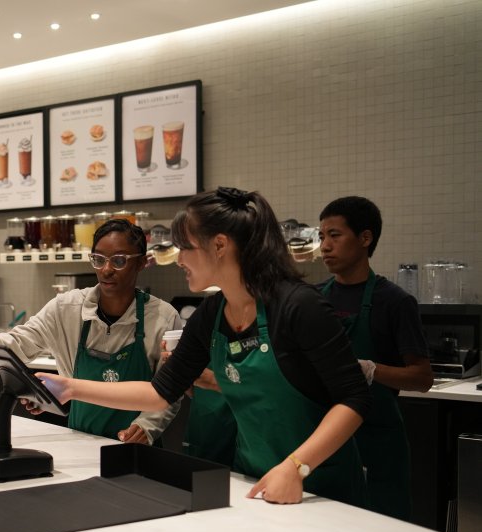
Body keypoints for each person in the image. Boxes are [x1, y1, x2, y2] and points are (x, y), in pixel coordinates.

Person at [38, 187, 374, 506]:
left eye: (185, 247)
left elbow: (355, 398)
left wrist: (297, 465)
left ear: (220, 245)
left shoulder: (298, 306)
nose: (178, 258)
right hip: (252, 478)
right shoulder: (211, 314)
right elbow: (159, 392)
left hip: (319, 486)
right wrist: (68, 387)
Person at [0, 219, 183, 442]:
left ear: (141, 262)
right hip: (81, 441)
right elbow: (16, 345)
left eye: (119, 260)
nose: (107, 269)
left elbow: (171, 390)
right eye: (99, 259)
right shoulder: (66, 308)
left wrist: (147, 426)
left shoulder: (162, 317)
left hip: (135, 449)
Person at [318, 195, 433, 519]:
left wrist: (371, 370)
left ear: (365, 238)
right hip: (325, 439)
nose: (325, 246)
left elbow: (422, 378)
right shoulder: (314, 298)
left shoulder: (395, 301)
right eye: (321, 236)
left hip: (378, 441)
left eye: (335, 235)